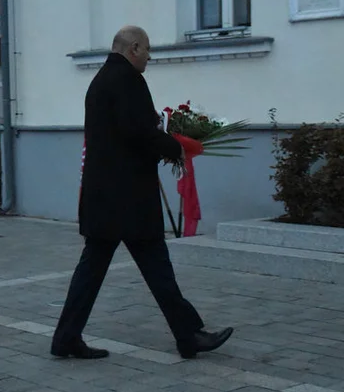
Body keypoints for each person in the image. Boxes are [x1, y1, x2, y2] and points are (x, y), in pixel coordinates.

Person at [51, 25, 233, 360]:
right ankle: (188, 335)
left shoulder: (102, 80)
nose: (150, 56)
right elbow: (139, 133)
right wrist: (176, 147)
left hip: (106, 197)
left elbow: (127, 130)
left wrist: (164, 139)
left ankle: (66, 337)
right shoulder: (128, 80)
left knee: (94, 271)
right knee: (156, 267)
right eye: (147, 49)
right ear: (133, 48)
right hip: (128, 199)